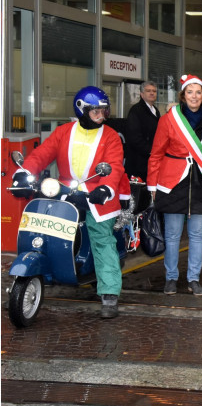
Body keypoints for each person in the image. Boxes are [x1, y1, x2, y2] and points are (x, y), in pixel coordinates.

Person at [12, 86, 125, 319]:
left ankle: (109, 293)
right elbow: (43, 153)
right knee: (43, 221)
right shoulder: (64, 131)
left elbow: (114, 167)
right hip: (64, 188)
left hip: (96, 193)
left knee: (101, 236)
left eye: (104, 111)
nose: (101, 116)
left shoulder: (111, 136)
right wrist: (25, 172)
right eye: (96, 112)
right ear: (82, 110)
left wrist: (105, 188)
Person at [147, 74, 202, 297]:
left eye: (198, 92)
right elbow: (156, 153)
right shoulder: (169, 119)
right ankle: (171, 278)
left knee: (198, 234)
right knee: (172, 235)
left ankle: (193, 279)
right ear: (183, 95)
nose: (194, 96)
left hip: (201, 183)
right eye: (190, 92)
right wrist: (152, 184)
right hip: (173, 183)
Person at [125, 81, 160, 181]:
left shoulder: (155, 110)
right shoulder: (136, 110)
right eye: (148, 91)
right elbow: (134, 138)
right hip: (138, 163)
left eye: (154, 91)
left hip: (150, 162)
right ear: (141, 94)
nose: (152, 93)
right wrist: (152, 151)